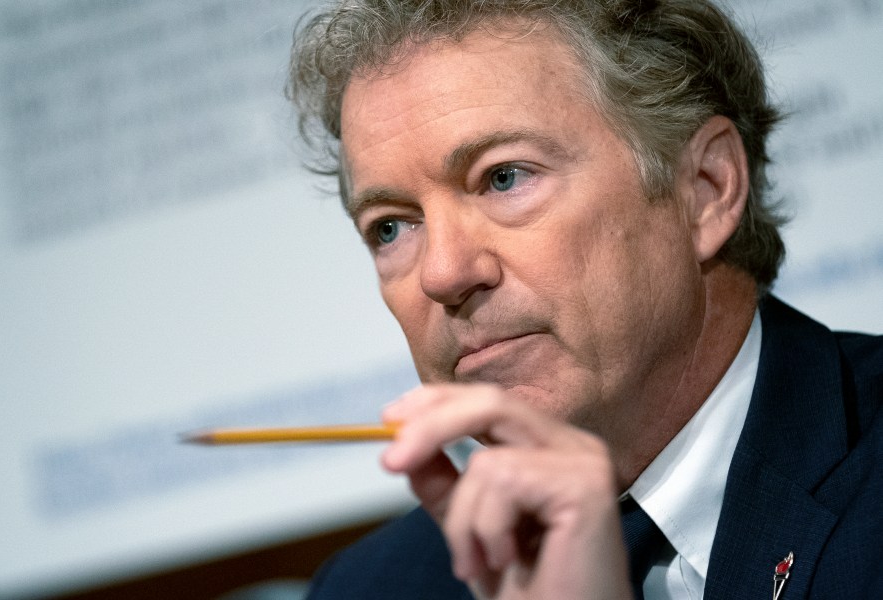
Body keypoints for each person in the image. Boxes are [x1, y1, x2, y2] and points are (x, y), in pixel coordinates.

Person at [286, 1, 883, 598]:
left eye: (504, 177)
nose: (442, 274)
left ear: (707, 189)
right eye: (391, 226)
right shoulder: (374, 587)